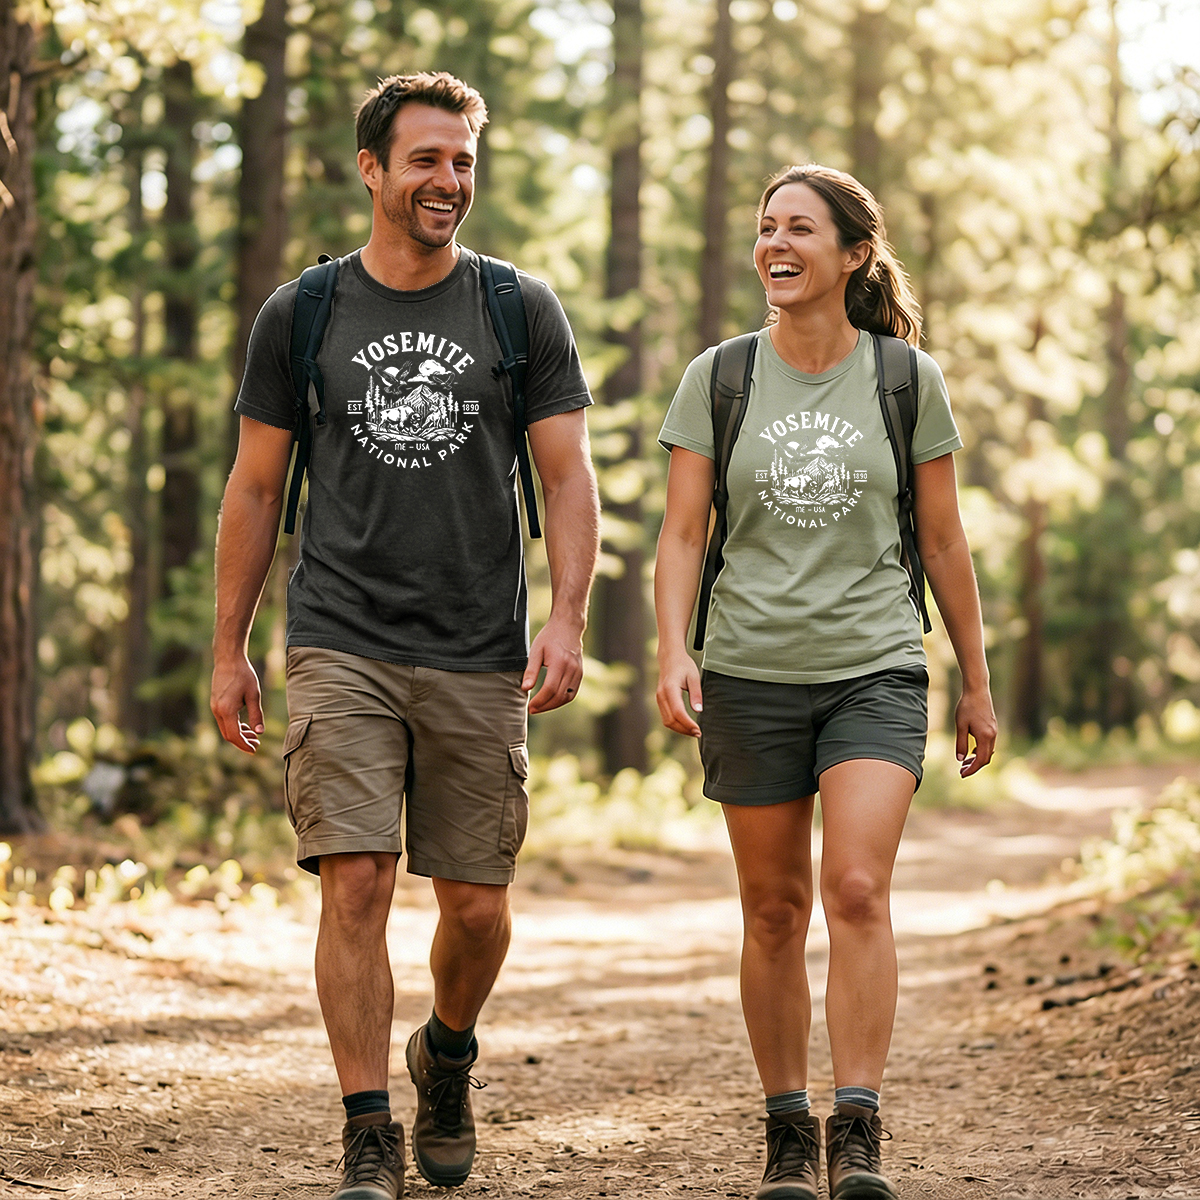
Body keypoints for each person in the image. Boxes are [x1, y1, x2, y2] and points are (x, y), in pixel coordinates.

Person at [210, 72, 600, 1200]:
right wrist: (229, 647)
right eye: (426, 160)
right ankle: (367, 1127)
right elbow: (254, 487)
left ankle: (447, 1053)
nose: (449, 182)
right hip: (342, 632)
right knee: (359, 880)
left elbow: (568, 477)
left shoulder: (519, 309)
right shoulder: (305, 313)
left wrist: (567, 617)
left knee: (476, 907)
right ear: (373, 169)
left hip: (481, 643)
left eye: (464, 161)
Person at [654, 164, 996, 1200]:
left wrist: (976, 680)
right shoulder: (720, 377)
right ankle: (786, 1132)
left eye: (799, 228)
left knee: (855, 888)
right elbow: (680, 535)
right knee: (771, 909)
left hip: (875, 667)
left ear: (854, 255)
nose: (775, 244)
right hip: (750, 671)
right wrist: (674, 649)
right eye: (765, 228)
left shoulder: (903, 378)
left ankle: (858, 1126)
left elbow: (943, 539)